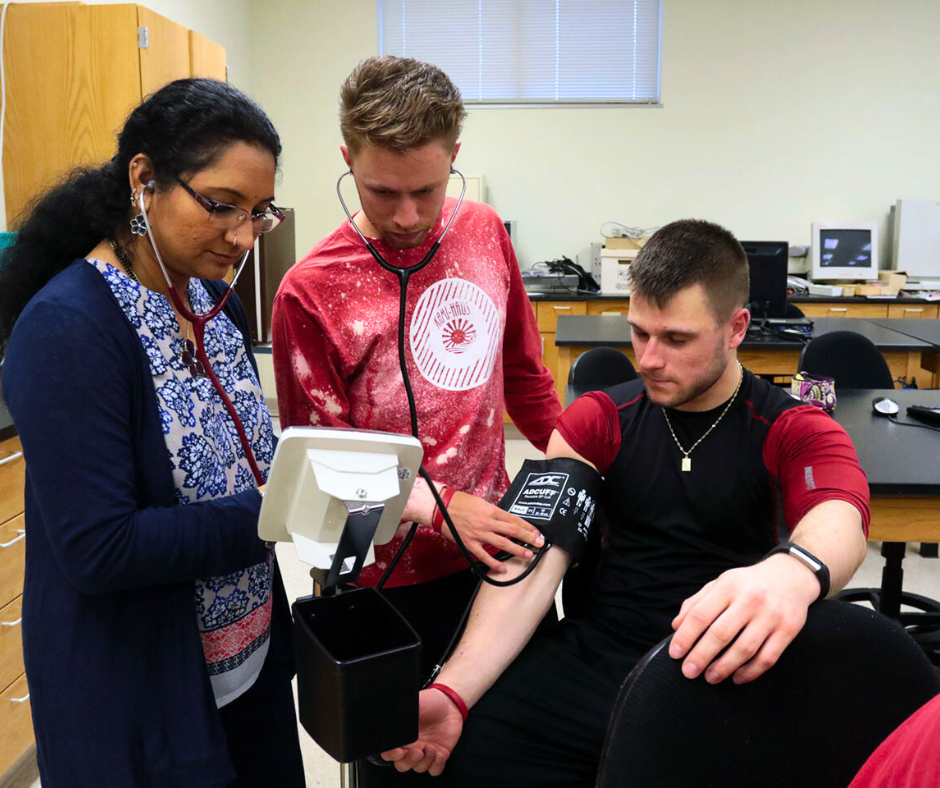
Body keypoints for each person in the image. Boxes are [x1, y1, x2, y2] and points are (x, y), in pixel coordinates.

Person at [382, 219, 872, 786]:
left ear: (736, 328)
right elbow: (533, 558)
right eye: (640, 333)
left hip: (720, 660)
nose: (649, 359)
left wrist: (792, 574)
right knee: (477, 746)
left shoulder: (794, 427)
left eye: (677, 339)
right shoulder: (597, 420)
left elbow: (839, 518)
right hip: (600, 652)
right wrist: (455, 691)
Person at [0, 79, 305, 788]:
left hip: (248, 666)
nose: (242, 236)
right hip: (141, 692)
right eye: (222, 205)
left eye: (259, 213)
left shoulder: (203, 298)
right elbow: (101, 549)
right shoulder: (70, 330)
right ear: (145, 180)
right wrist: (281, 507)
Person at [272, 56, 561, 679]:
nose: (406, 217)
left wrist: (580, 466)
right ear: (348, 159)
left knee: (504, 744)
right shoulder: (310, 290)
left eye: (426, 190)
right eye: (382, 192)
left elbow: (527, 377)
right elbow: (322, 462)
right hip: (380, 574)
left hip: (495, 549)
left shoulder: (483, 233)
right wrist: (438, 506)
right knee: (400, 759)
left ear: (454, 155)